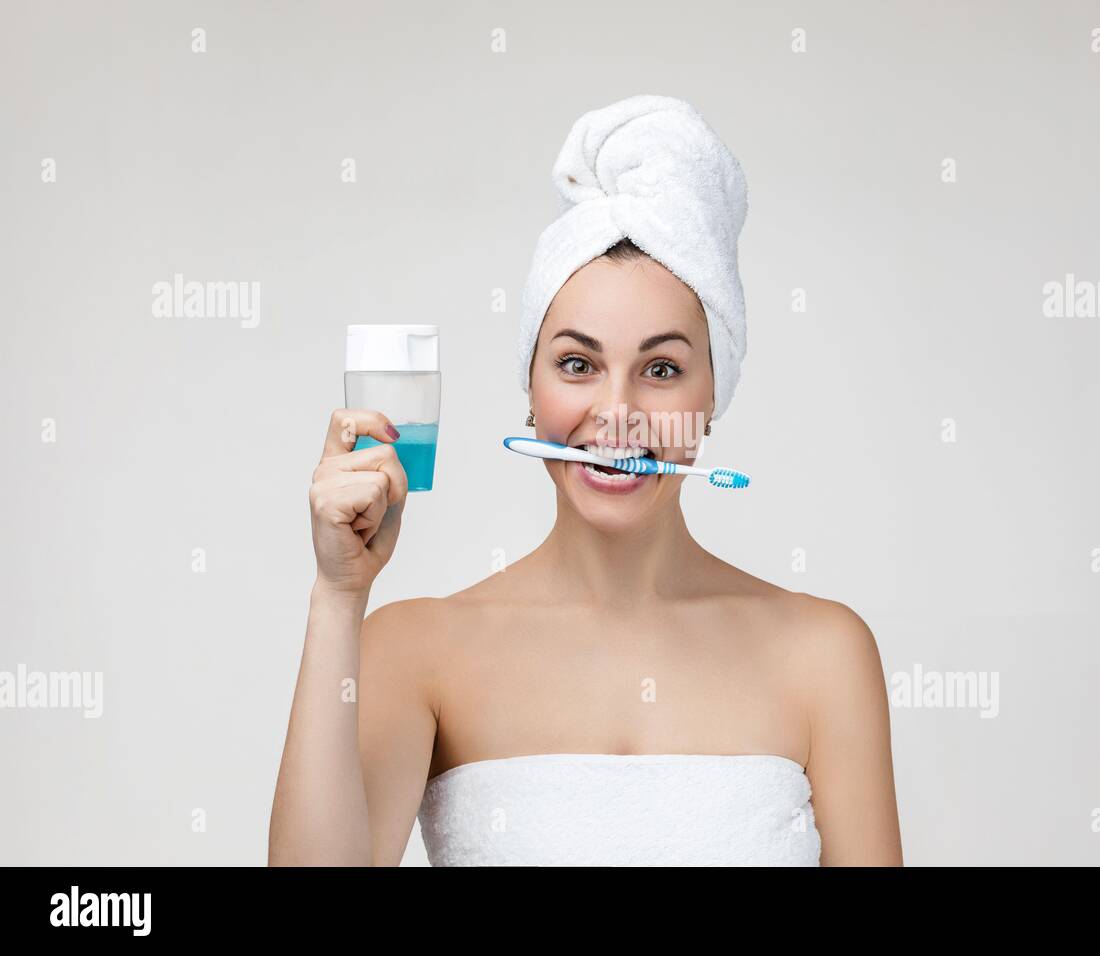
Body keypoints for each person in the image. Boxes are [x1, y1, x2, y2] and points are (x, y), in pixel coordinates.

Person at [269, 96, 903, 866]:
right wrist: (338, 599)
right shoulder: (414, 649)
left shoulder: (825, 654)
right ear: (532, 392)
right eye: (577, 364)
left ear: (713, 399)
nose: (617, 412)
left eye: (661, 369)